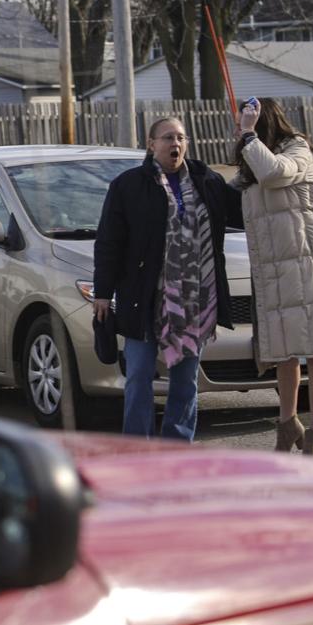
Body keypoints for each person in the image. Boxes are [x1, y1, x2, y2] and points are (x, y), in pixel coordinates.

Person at [93, 117, 242, 441]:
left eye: (181, 138)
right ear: (151, 144)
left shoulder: (207, 181)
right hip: (144, 296)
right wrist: (102, 292)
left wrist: (250, 150)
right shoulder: (128, 185)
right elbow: (109, 242)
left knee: (186, 381)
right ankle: (136, 446)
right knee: (139, 376)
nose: (175, 144)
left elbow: (240, 213)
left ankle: (176, 447)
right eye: (167, 138)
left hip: (193, 299)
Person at [230, 97, 313, 457]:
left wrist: (247, 135)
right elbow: (232, 194)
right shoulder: (252, 162)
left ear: (263, 123)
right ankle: (287, 423)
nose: (239, 130)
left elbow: (275, 173)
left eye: (248, 123)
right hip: (278, 270)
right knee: (284, 352)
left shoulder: (297, 150)